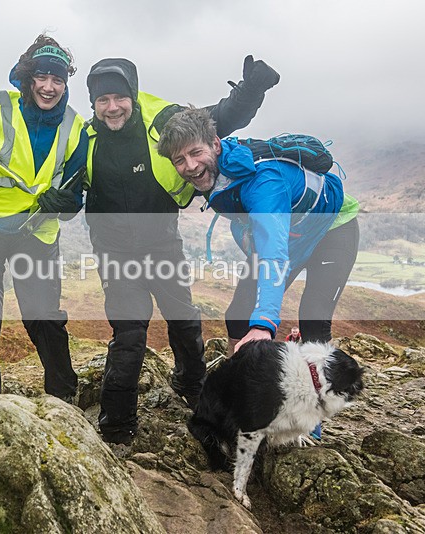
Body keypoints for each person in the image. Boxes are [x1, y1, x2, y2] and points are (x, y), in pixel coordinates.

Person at [84, 56, 280, 445]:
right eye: (102, 100)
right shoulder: (84, 137)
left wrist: (250, 91)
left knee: (185, 320)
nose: (112, 107)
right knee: (129, 331)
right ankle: (116, 427)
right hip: (113, 250)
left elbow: (217, 119)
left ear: (133, 95)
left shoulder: (162, 120)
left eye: (120, 97)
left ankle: (193, 386)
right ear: (93, 103)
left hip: (161, 242)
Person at [0, 34, 87, 401]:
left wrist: (64, 203)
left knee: (44, 319)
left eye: (58, 79)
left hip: (35, 235)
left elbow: (75, 199)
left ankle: (63, 399)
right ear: (27, 77)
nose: (49, 87)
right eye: (42, 76)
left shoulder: (76, 128)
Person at [157, 106, 359, 357]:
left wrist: (264, 325)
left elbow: (273, 253)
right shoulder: (216, 171)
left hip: (332, 230)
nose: (190, 166)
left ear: (216, 145)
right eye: (179, 160)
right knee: (238, 316)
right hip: (293, 234)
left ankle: (321, 382)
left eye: (196, 152)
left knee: (313, 321)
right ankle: (239, 376)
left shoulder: (263, 182)